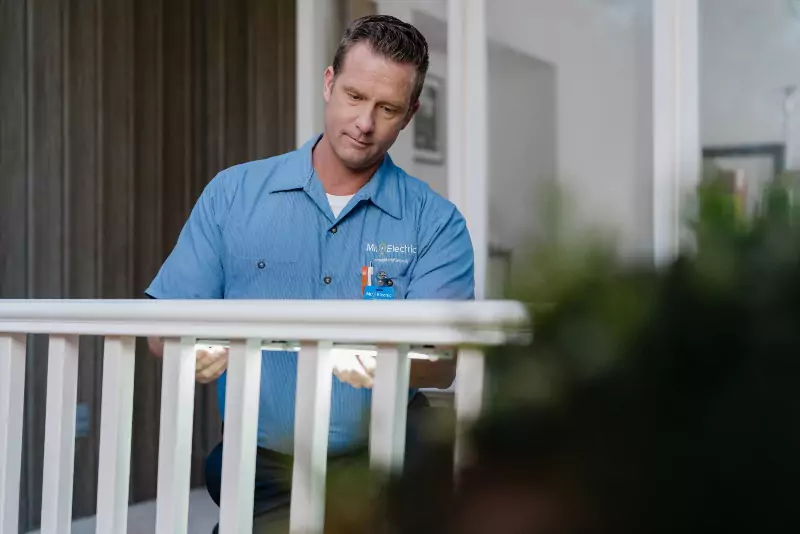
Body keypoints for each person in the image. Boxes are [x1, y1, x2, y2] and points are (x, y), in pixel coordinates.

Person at [145, 14, 474, 531]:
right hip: (261, 467)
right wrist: (192, 347)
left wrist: (389, 362)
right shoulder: (233, 195)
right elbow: (161, 333)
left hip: (384, 466)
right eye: (353, 96)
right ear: (328, 83)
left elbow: (443, 363)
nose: (365, 122)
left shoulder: (436, 222)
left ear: (409, 115)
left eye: (387, 108)